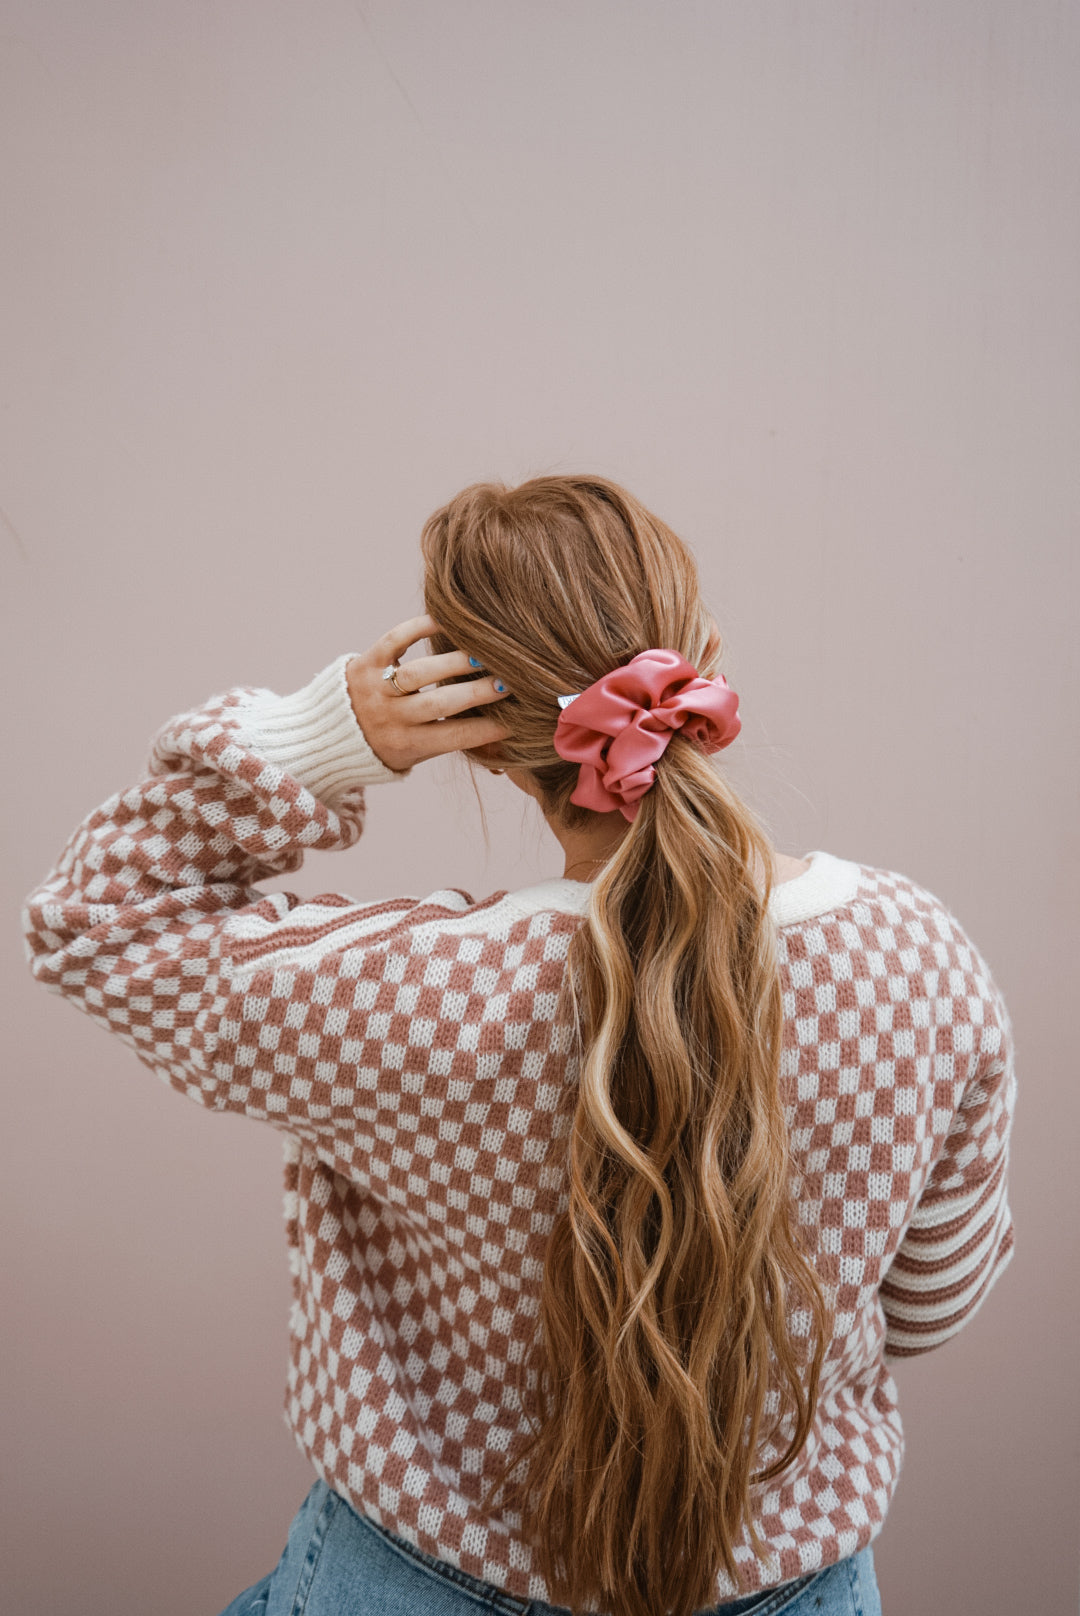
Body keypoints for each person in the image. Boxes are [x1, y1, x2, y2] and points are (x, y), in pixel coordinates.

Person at [22, 475, 1016, 1616]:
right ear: (706, 661)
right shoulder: (919, 958)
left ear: (483, 746)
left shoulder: (400, 994)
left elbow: (95, 919)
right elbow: (932, 1301)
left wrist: (324, 737)